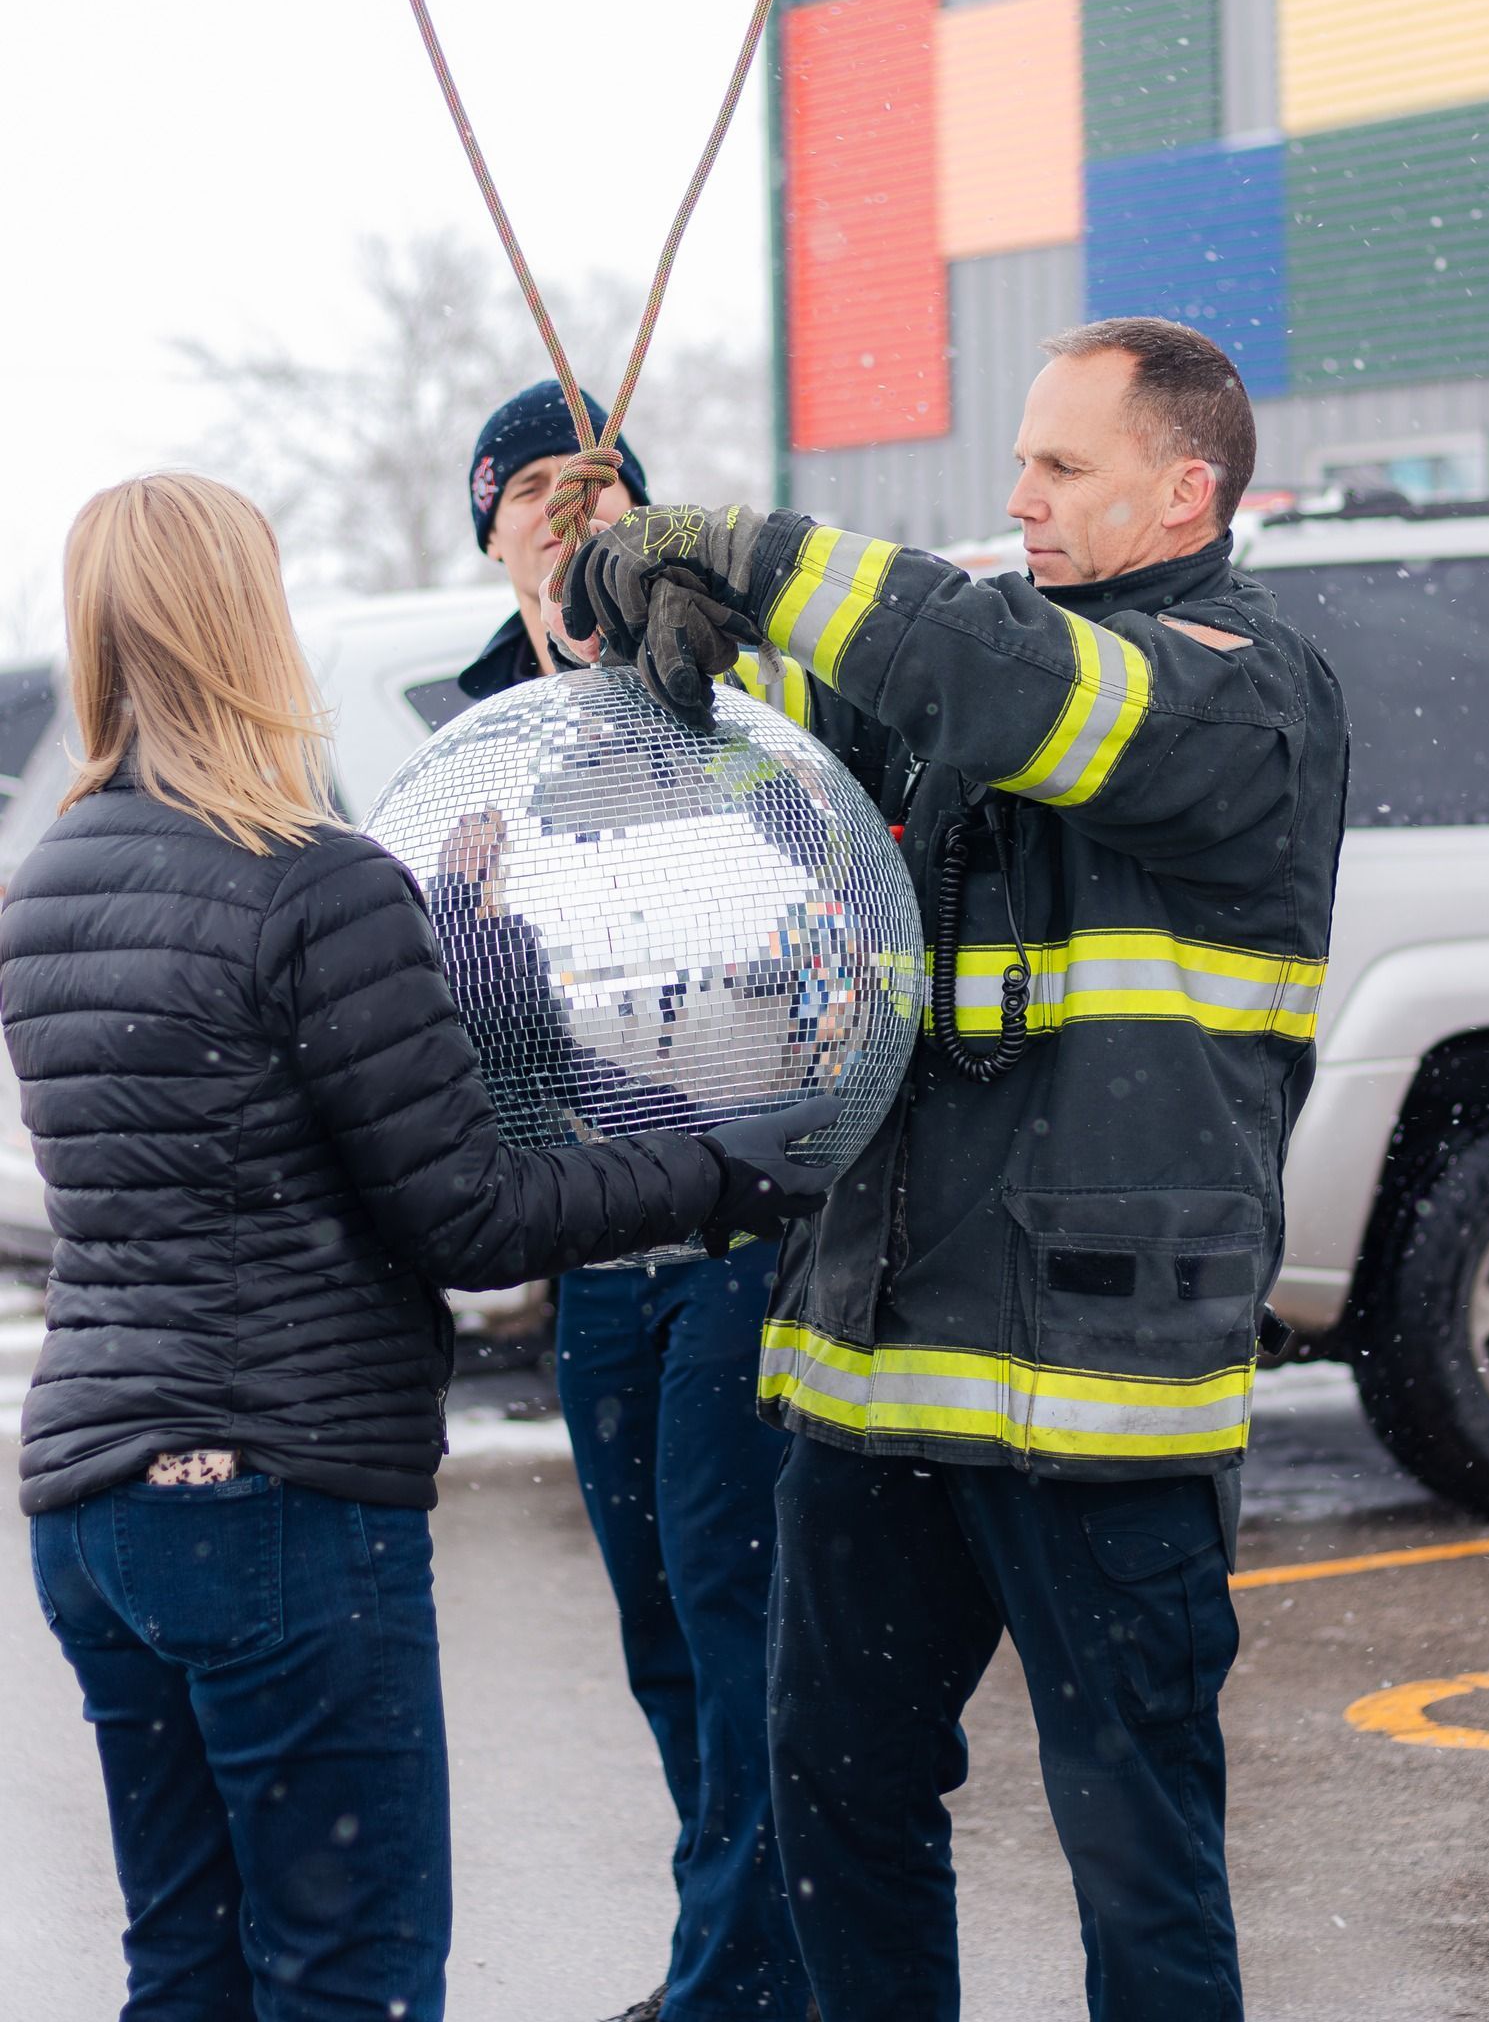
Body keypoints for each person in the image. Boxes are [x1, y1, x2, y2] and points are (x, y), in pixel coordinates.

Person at [561, 318, 1351, 2022]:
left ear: (1185, 489)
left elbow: (1000, 685)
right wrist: (646, 614)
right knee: (829, 1807)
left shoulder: (1236, 693)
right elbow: (797, 726)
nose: (1022, 497)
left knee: (1140, 1865)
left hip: (1100, 1398)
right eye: (1019, 462)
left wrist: (758, 551)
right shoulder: (977, 685)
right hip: (878, 1377)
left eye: (1061, 467)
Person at [1, 471, 836, 2022]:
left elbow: (206, 1146)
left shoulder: (45, 887)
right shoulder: (313, 881)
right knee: (351, 1979)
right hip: (278, 1495)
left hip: (94, 1508)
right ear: (249, 626)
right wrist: (717, 1171)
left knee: (184, 1966)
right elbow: (467, 1215)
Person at [459, 383, 814, 2022]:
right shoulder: (469, 742)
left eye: (588, 483)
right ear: (489, 529)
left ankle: (735, 1976)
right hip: (589, 1240)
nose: (559, 509)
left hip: (739, 1220)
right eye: (527, 486)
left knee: (737, 1603)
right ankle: (741, 1950)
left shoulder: (720, 687)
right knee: (658, 1623)